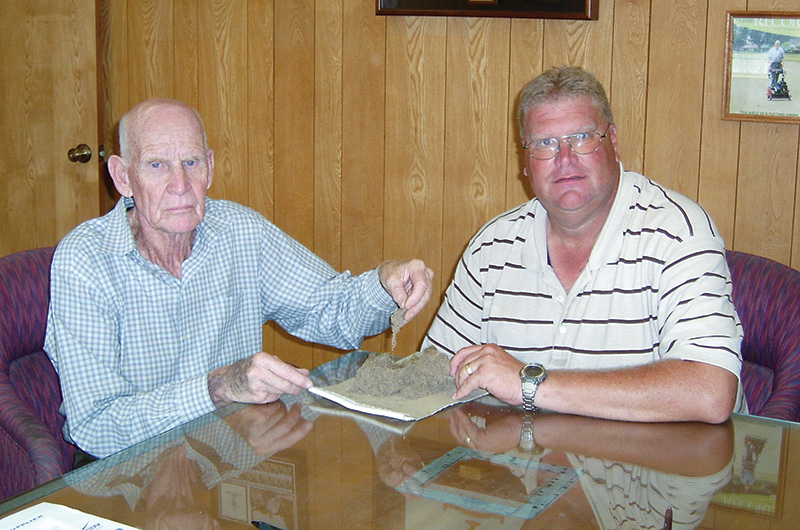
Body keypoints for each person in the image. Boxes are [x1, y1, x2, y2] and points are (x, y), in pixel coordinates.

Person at [45, 98, 434, 458]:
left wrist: (384, 284)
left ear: (211, 167)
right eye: (157, 165)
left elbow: (332, 311)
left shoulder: (240, 233)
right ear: (122, 176)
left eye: (192, 163)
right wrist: (218, 388)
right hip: (126, 477)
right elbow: (96, 427)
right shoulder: (84, 261)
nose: (180, 185)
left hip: (228, 464)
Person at [423, 66, 745, 424]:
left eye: (582, 137)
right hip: (523, 470)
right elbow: (432, 377)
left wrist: (529, 384)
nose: (565, 159)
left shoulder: (679, 233)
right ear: (525, 162)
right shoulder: (491, 248)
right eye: (544, 143)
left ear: (614, 142)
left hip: (656, 474)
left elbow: (710, 392)